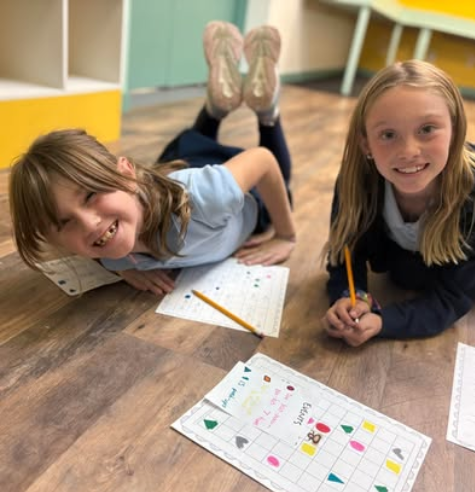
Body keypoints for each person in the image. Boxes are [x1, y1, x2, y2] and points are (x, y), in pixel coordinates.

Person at [9, 21, 295, 295]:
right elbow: (88, 242)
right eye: (65, 222)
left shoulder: (207, 195)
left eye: (91, 195)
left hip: (226, 194)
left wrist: (285, 235)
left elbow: (262, 160)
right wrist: (124, 267)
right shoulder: (102, 242)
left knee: (280, 181)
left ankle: (264, 113)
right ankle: (217, 107)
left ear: (126, 172)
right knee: (188, 151)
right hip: (177, 168)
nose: (89, 224)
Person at [321, 59, 475, 346]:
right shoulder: (355, 181)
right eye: (388, 135)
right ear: (366, 144)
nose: (408, 151)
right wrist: (350, 297)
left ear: (455, 130)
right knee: (407, 275)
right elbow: (345, 254)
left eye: (427, 129)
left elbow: (453, 297)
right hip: (408, 259)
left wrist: (383, 321)